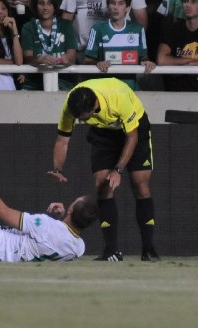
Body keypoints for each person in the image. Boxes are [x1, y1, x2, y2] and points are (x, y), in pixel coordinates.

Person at [49, 78, 160, 262]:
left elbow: (131, 137)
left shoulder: (118, 98)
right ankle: (112, 251)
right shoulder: (71, 104)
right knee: (102, 184)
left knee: (140, 185)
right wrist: (57, 169)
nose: (80, 121)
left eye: (83, 117)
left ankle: (149, 249)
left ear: (94, 107)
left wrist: (118, 169)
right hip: (103, 133)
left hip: (134, 128)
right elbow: (63, 140)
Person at [84, 0, 155, 90]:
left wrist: (147, 62)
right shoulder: (97, 29)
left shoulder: (138, 29)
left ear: (128, 8)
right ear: (108, 6)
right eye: (112, 3)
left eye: (120, 3)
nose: (116, 7)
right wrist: (98, 63)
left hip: (130, 88)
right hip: (105, 88)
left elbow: (143, 58)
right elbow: (87, 60)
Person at [21, 0, 78, 91]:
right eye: (41, 3)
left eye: (49, 3)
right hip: (35, 82)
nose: (45, 7)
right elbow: (27, 58)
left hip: (64, 80)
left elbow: (72, 56)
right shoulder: (28, 27)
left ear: (55, 6)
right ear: (35, 6)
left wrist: (67, 59)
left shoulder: (66, 25)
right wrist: (39, 60)